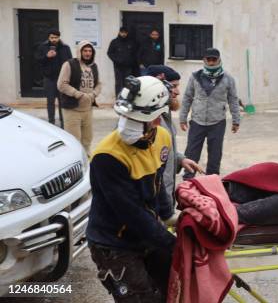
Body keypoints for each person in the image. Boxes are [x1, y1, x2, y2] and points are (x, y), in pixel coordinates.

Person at [87, 76, 175, 302]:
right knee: (140, 298)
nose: (127, 125)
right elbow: (130, 213)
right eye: (124, 117)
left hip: (147, 233)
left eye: (135, 119)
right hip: (115, 243)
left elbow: (158, 183)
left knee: (171, 289)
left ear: (156, 119)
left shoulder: (163, 137)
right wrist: (171, 242)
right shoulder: (108, 156)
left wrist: (168, 215)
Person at [145, 65, 202, 207]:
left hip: (164, 198)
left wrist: (179, 159)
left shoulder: (164, 114)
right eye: (174, 86)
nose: (177, 92)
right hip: (153, 200)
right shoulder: (146, 121)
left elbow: (162, 150)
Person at [179, 48, 240, 177]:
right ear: (204, 60)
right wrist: (182, 118)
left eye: (214, 60)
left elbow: (233, 100)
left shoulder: (228, 78)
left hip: (217, 122)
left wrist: (236, 120)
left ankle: (212, 180)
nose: (211, 63)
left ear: (219, 60)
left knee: (215, 154)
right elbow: (187, 97)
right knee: (191, 152)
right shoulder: (195, 76)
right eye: (209, 60)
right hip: (197, 121)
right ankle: (188, 180)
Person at [57, 40, 101, 155]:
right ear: (79, 51)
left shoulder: (94, 66)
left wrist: (93, 94)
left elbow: (99, 84)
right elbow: (61, 84)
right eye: (85, 50)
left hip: (88, 109)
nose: (88, 53)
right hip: (72, 110)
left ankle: (86, 159)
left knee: (87, 139)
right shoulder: (69, 64)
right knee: (73, 140)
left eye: (90, 51)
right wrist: (78, 94)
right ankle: (75, 161)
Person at [34, 29, 72, 125]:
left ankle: (63, 123)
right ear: (48, 37)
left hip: (62, 79)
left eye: (56, 37)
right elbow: (38, 60)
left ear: (59, 37)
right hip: (49, 79)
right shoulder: (43, 47)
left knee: (62, 102)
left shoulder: (65, 47)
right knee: (50, 102)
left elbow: (70, 62)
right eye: (52, 37)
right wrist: (47, 56)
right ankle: (51, 122)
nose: (54, 39)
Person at [107, 26, 138, 96]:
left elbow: (134, 53)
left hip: (128, 67)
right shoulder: (114, 42)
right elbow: (109, 53)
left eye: (125, 33)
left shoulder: (130, 42)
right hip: (118, 67)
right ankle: (118, 99)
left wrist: (131, 61)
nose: (124, 34)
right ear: (119, 32)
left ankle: (126, 98)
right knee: (118, 83)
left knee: (128, 83)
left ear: (127, 33)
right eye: (122, 32)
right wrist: (117, 60)